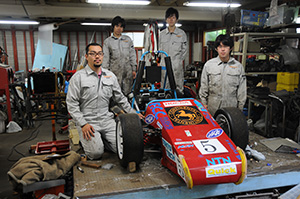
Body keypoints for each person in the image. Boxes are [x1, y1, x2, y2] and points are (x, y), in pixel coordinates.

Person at [66, 43, 140, 160]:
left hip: (107, 120)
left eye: (100, 54)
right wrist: (83, 124)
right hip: (88, 122)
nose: (97, 57)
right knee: (95, 154)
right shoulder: (78, 77)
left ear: (103, 56)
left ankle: (101, 140)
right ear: (86, 56)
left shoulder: (110, 76)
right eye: (93, 54)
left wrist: (134, 113)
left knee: (125, 148)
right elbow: (71, 103)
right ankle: (93, 142)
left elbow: (120, 98)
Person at [199, 34, 246, 116]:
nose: (223, 49)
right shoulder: (209, 65)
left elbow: (242, 90)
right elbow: (203, 86)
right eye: (220, 47)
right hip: (212, 107)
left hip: (231, 107)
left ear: (230, 48)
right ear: (216, 49)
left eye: (226, 46)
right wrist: (204, 104)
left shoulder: (238, 67)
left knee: (230, 128)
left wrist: (240, 108)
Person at [103, 16, 137, 96]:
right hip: (114, 73)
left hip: (127, 72)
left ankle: (127, 108)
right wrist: (105, 73)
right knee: (114, 94)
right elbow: (105, 59)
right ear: (113, 27)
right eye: (117, 26)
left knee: (127, 93)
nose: (119, 28)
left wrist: (134, 69)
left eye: (121, 26)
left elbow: (132, 55)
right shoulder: (108, 42)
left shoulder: (128, 40)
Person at [159, 7, 187, 96]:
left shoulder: (182, 34)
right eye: (169, 17)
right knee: (164, 87)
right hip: (164, 65)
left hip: (177, 66)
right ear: (166, 19)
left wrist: (178, 61)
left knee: (178, 88)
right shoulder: (161, 34)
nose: (171, 19)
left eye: (173, 17)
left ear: (177, 19)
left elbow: (184, 50)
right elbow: (159, 50)